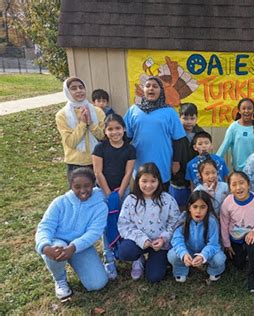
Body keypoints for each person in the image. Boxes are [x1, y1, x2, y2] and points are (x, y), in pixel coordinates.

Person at [35, 168, 108, 300]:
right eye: (77, 187)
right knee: (54, 252)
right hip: (58, 242)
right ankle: (59, 279)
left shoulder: (100, 206)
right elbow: (45, 226)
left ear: (93, 184)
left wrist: (74, 247)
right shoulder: (60, 202)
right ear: (71, 186)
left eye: (87, 186)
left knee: (98, 283)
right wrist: (45, 247)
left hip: (80, 247)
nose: (83, 190)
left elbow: (94, 232)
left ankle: (75, 260)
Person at [116, 163, 181, 283]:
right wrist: (142, 240)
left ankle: (157, 259)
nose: (148, 185)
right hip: (139, 242)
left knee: (154, 277)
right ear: (138, 181)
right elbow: (124, 225)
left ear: (159, 181)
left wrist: (163, 239)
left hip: (160, 244)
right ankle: (138, 258)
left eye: (153, 181)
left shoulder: (167, 199)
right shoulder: (131, 200)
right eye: (144, 181)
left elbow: (175, 223)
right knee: (125, 252)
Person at [92, 113, 136, 279]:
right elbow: (98, 172)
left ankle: (129, 253)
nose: (114, 132)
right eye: (110, 129)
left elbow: (128, 172)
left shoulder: (130, 149)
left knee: (125, 220)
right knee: (106, 222)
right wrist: (109, 194)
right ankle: (109, 256)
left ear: (123, 129)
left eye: (118, 128)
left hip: (122, 191)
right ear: (105, 131)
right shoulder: (100, 148)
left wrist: (120, 192)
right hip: (104, 191)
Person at [124, 76, 186, 188]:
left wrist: (176, 161)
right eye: (148, 86)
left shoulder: (170, 112)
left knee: (161, 198)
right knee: (141, 196)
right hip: (139, 161)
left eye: (155, 86)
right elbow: (126, 137)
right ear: (143, 90)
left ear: (161, 91)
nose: (151, 88)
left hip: (163, 162)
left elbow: (179, 140)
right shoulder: (133, 110)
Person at [220, 171, 254, 293]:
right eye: (234, 184)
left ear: (248, 185)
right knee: (239, 264)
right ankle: (242, 254)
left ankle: (252, 275)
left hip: (251, 236)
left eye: (241, 183)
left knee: (253, 248)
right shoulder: (227, 202)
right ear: (230, 188)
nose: (238, 187)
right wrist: (227, 244)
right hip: (235, 237)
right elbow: (224, 224)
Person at [167, 190, 226, 282]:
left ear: (208, 208)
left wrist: (203, 255)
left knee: (219, 258)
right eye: (195, 207)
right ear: (190, 207)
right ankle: (181, 270)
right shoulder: (183, 219)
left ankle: (215, 270)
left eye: (203, 207)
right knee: (172, 255)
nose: (198, 211)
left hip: (206, 252)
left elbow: (213, 244)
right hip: (188, 251)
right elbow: (177, 239)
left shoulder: (212, 221)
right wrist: (184, 254)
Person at [56, 77, 105, 179]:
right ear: (67, 92)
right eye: (73, 88)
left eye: (81, 87)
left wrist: (90, 123)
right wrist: (83, 124)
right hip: (76, 164)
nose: (79, 91)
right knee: (79, 194)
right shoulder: (62, 115)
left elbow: (103, 137)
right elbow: (70, 142)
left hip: (98, 160)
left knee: (99, 193)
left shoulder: (97, 111)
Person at [170, 103, 204, 210]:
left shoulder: (201, 133)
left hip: (195, 174)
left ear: (196, 118)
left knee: (194, 203)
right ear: (179, 117)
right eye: (185, 118)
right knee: (178, 205)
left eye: (192, 118)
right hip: (178, 175)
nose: (188, 122)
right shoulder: (174, 133)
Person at [216, 98, 254, 171]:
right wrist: (214, 162)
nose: (246, 111)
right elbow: (224, 146)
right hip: (238, 170)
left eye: (249, 108)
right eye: (243, 108)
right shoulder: (233, 127)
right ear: (239, 111)